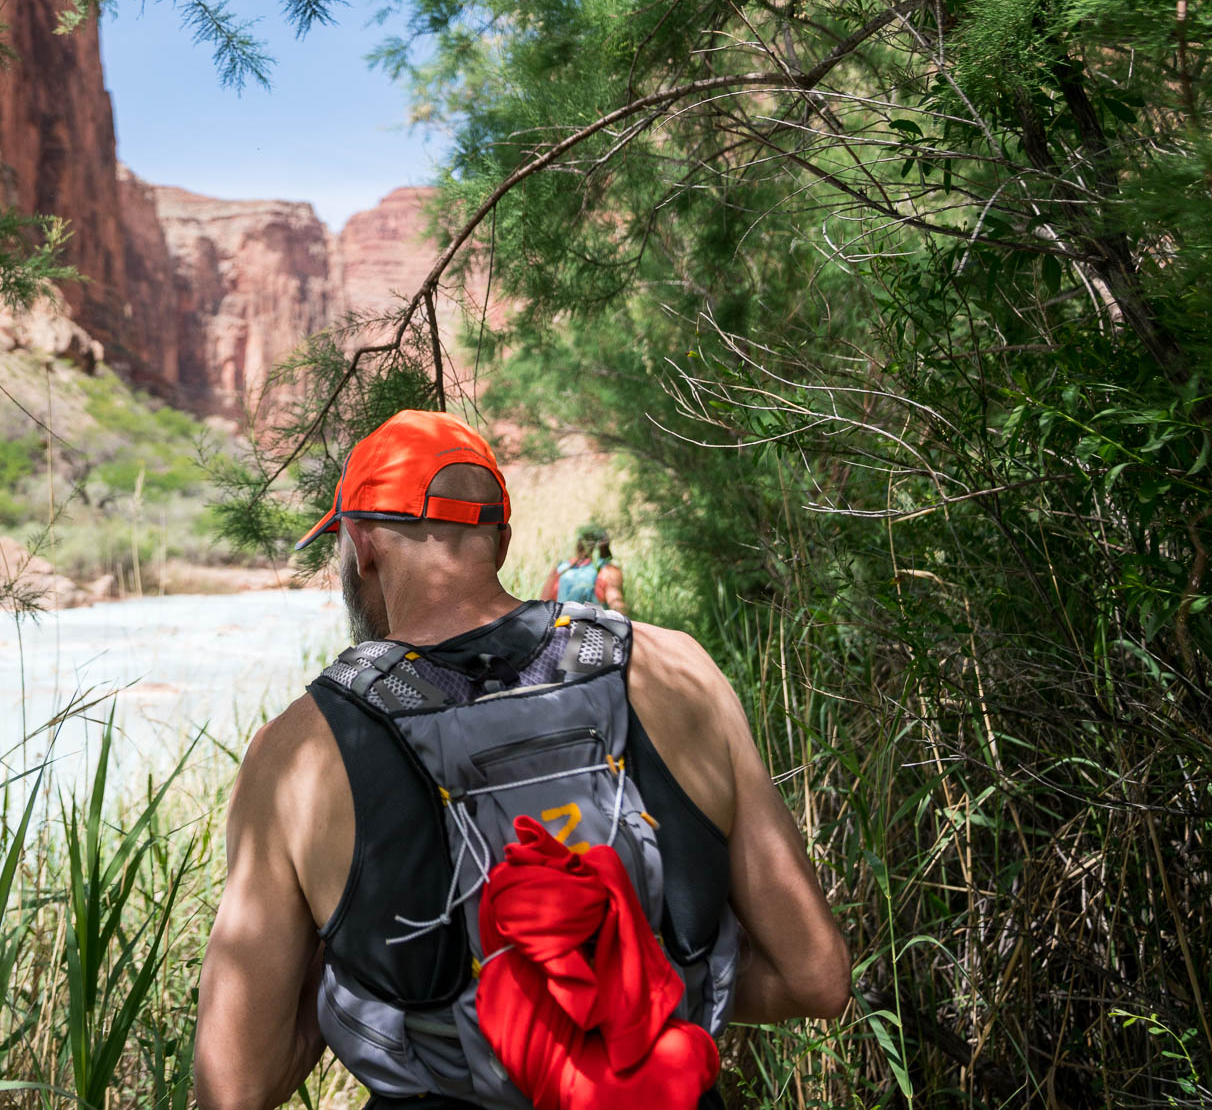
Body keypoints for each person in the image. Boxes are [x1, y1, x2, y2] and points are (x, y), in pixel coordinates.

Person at [193, 410, 849, 1110]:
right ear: (500, 540)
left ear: (361, 543)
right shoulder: (677, 668)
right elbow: (817, 975)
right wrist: (628, 987)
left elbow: (234, 1087)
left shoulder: (297, 749)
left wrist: (358, 963)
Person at [540, 522, 625, 613]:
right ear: (605, 546)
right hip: (595, 626)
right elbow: (617, 607)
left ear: (579, 545)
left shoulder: (561, 570)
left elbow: (543, 608)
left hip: (561, 625)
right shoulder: (608, 571)